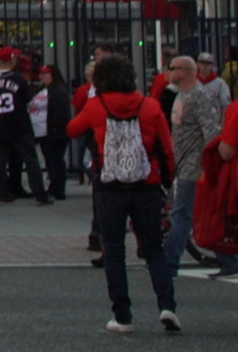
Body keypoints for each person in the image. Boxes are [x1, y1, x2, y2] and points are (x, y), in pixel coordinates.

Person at [67, 53, 176, 333]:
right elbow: (166, 149)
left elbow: (72, 129)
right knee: (153, 248)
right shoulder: (150, 106)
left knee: (114, 251)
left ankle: (123, 315)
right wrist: (166, 181)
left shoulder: (96, 106)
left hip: (110, 185)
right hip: (147, 183)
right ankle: (166, 305)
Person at [161, 55, 236, 279]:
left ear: (185, 71)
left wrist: (206, 165)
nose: (168, 72)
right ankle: (227, 259)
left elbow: (211, 132)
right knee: (190, 215)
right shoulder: (183, 95)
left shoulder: (199, 97)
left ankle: (168, 262)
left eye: (172, 68)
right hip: (185, 164)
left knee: (182, 215)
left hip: (194, 167)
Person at [0, 48, 50, 205]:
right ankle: (40, 194)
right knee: (31, 160)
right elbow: (28, 102)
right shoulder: (17, 79)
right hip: (19, 124)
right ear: (11, 59)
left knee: (0, 161)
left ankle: (2, 192)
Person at [39, 64, 73, 201]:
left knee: (56, 161)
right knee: (53, 161)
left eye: (44, 74)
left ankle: (58, 189)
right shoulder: (49, 90)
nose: (41, 77)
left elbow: (60, 113)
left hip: (55, 132)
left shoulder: (57, 91)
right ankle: (55, 187)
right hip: (51, 131)